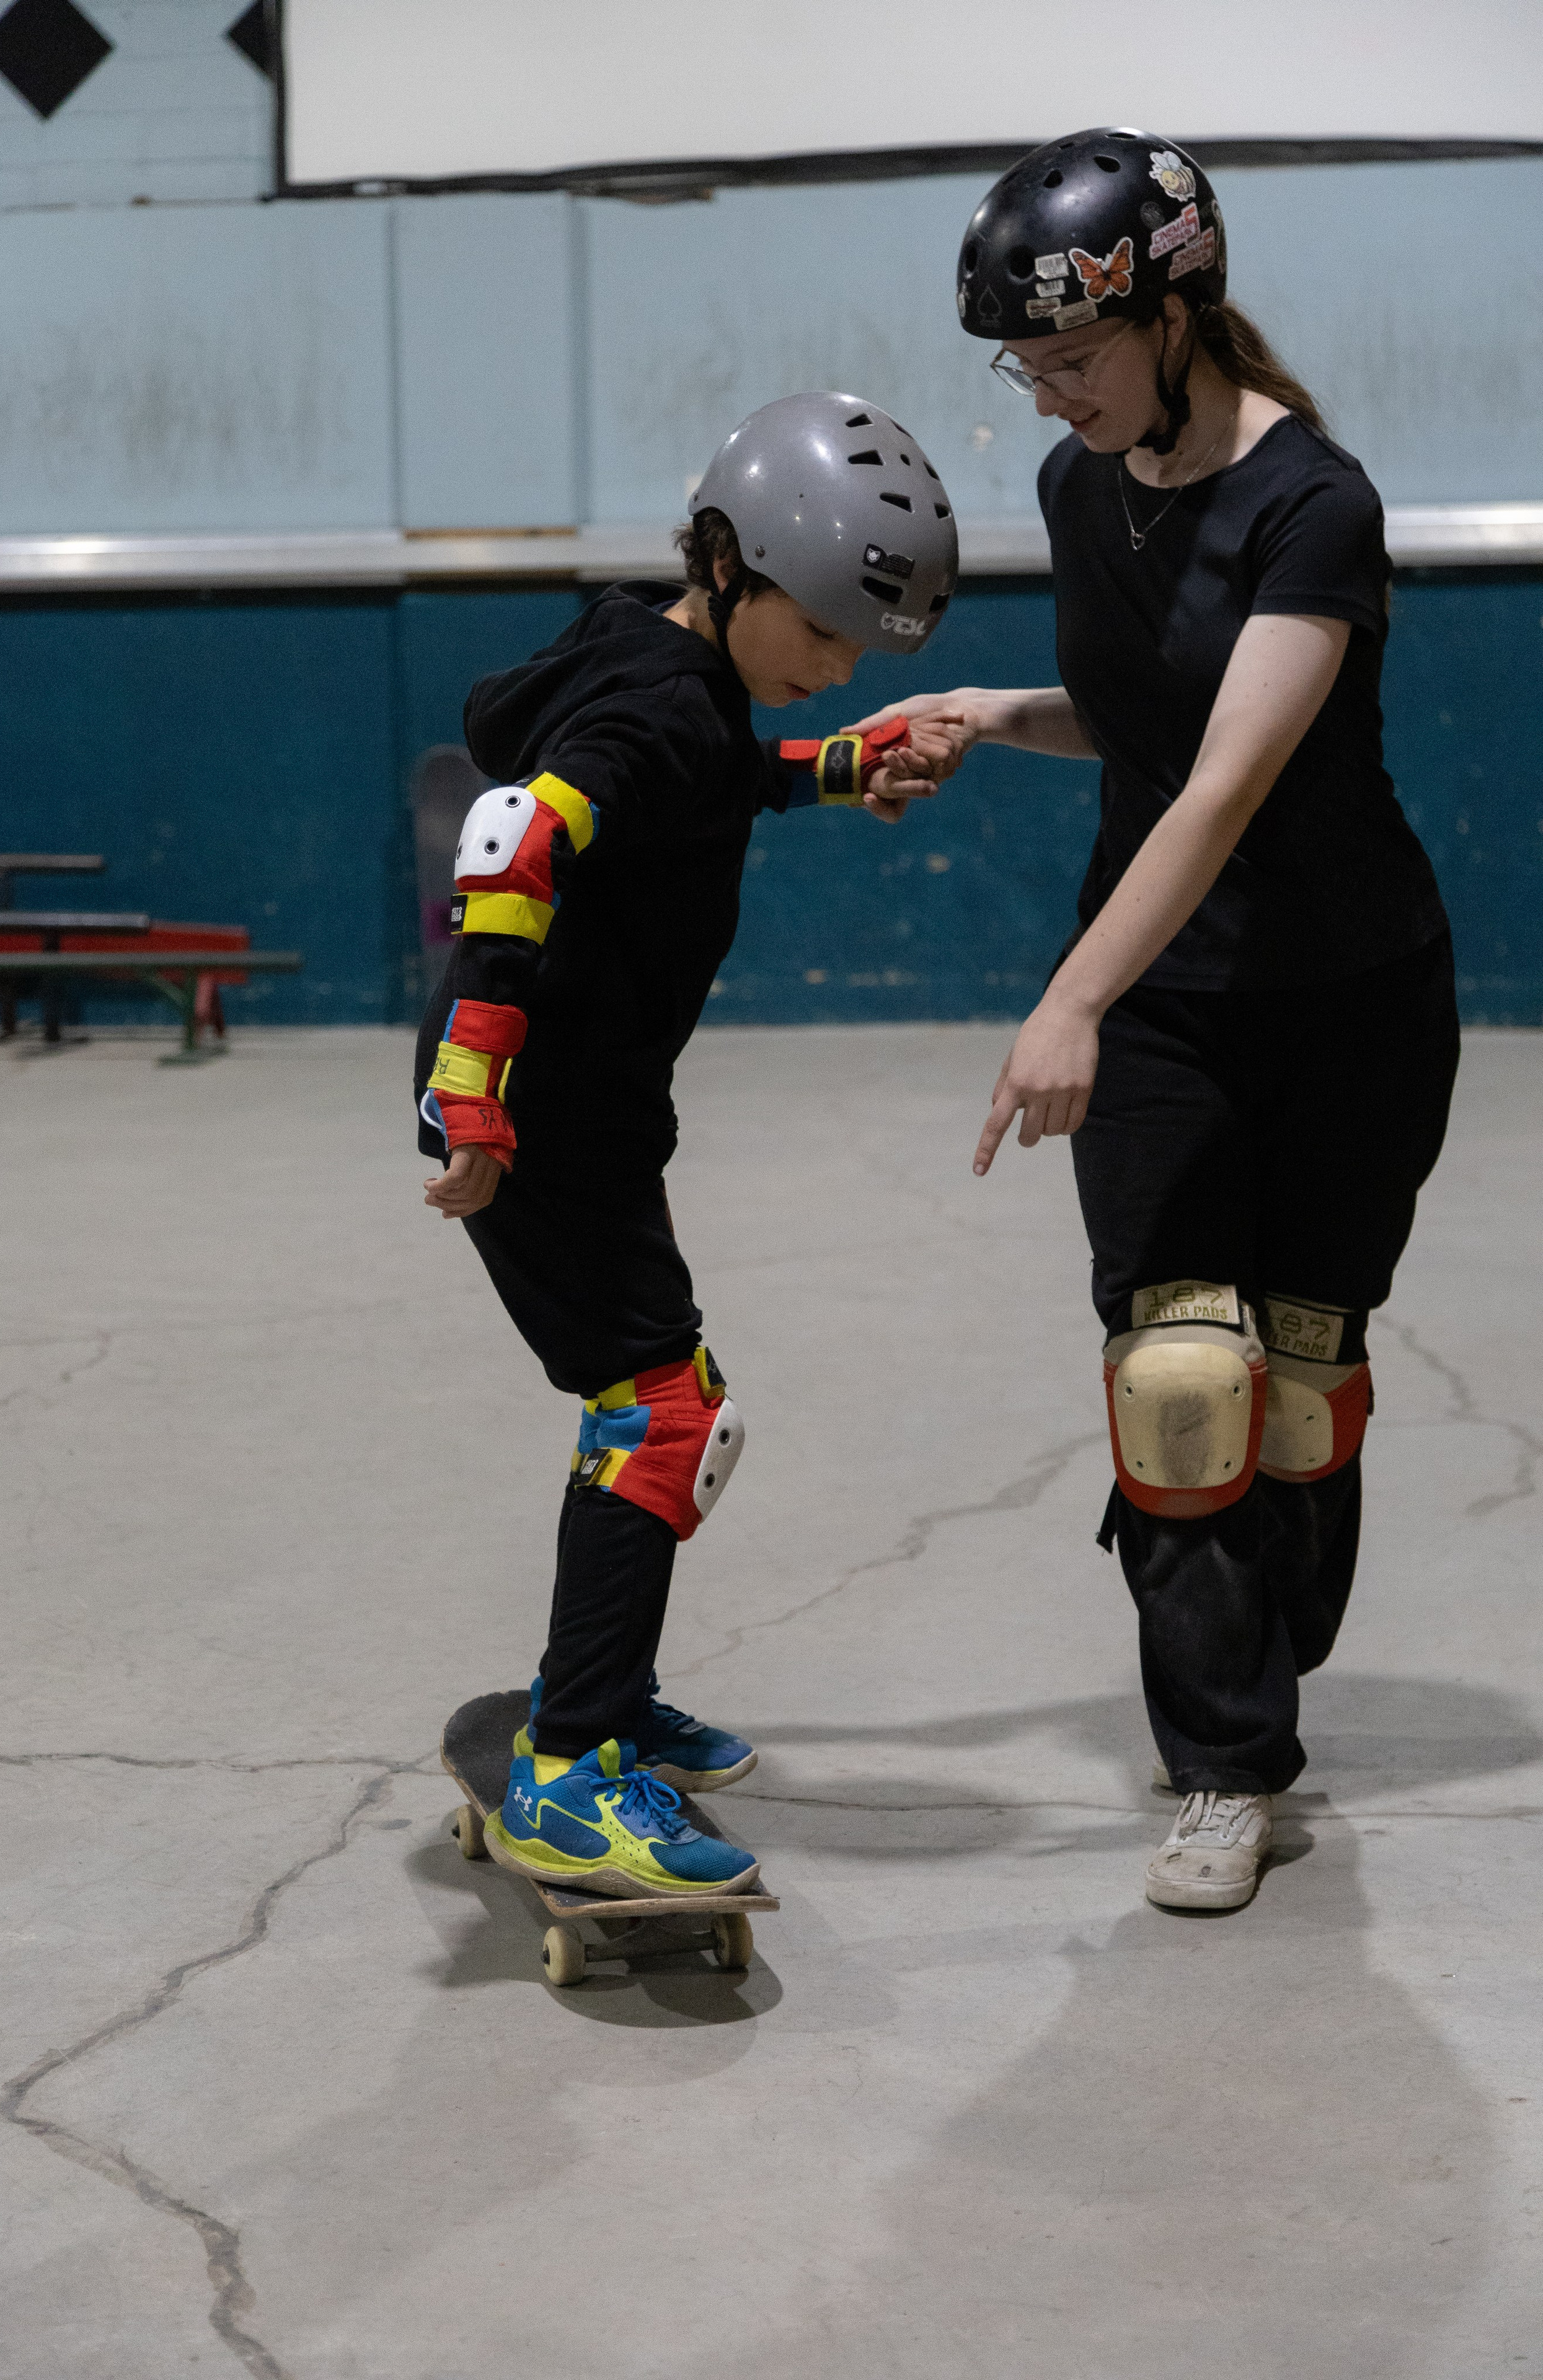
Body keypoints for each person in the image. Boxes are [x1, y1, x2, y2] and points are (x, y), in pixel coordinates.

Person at [855, 129, 1458, 1913]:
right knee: (1183, 1380)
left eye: (1073, 355)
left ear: (1178, 308)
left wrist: (1062, 1002)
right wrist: (983, 707)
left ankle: (1263, 1650)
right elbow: (1135, 723)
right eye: (1024, 366)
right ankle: (1225, 1768)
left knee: (1296, 1385)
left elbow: (1222, 786)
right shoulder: (1076, 485)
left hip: (1352, 1004)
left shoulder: (1315, 506)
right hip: (1173, 1017)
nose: (1046, 393)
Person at [417, 391, 959, 1900]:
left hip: (578, 1105)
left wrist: (831, 771)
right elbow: (514, 841)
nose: (836, 668)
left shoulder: (654, 659)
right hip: (538, 1109)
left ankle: (598, 1693)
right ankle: (570, 1765)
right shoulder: (660, 700)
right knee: (660, 1417)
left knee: (662, 1405)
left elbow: (690, 779)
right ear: (726, 562)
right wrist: (473, 1089)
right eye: (827, 633)